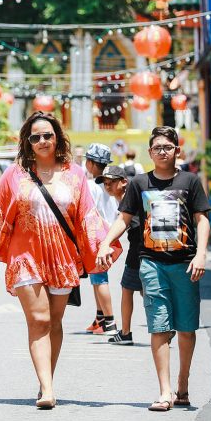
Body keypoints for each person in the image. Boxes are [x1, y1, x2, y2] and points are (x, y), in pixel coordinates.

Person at [0, 112, 117, 409]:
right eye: (35, 137)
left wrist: (103, 246)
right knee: (39, 319)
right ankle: (47, 388)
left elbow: (87, 214)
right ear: (27, 142)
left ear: (57, 137)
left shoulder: (74, 174)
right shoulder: (14, 175)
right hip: (25, 256)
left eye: (47, 135)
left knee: (54, 322)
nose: (42, 141)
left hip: (62, 257)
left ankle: (47, 378)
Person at [97, 126, 210, 411]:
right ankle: (165, 391)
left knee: (186, 328)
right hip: (151, 263)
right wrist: (106, 243)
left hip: (185, 264)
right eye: (157, 147)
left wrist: (201, 254)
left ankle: (183, 384)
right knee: (159, 327)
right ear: (150, 153)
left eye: (168, 147)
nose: (163, 152)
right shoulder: (138, 184)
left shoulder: (190, 181)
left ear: (177, 150)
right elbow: (124, 219)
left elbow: (202, 220)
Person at [97, 166, 141, 345]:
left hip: (139, 248)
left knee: (128, 288)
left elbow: (125, 223)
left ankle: (125, 332)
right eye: (105, 183)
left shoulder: (127, 198)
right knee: (144, 289)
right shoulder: (123, 198)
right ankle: (164, 327)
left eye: (112, 182)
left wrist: (106, 243)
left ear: (124, 182)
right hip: (140, 246)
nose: (107, 186)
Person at [83, 142, 118, 335]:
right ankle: (100, 318)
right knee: (96, 277)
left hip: (97, 235)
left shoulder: (91, 185)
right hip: (110, 232)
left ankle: (110, 322)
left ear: (90, 163)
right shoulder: (111, 182)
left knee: (99, 278)